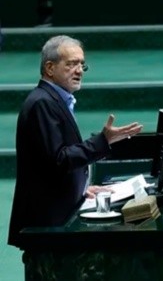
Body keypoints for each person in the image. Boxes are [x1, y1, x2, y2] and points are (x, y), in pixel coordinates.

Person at [7, 36, 143, 247]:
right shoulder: (42, 103)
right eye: (71, 64)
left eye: (82, 64)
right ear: (50, 68)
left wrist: (80, 190)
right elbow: (59, 159)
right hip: (47, 223)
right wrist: (102, 141)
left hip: (58, 212)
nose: (79, 70)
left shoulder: (54, 100)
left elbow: (51, 162)